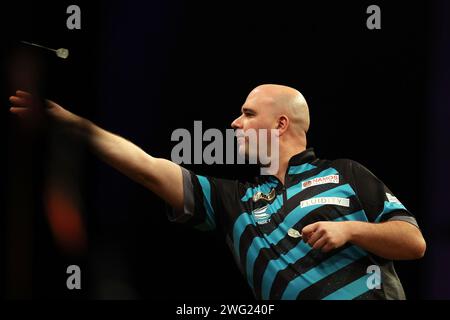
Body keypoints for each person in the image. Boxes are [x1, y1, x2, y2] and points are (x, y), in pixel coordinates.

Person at [9, 84, 426, 300]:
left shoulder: (345, 173)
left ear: (280, 124)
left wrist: (351, 232)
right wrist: (73, 125)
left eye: (247, 113)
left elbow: (413, 242)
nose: (234, 124)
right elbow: (148, 167)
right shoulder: (234, 201)